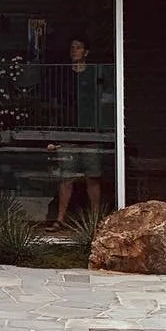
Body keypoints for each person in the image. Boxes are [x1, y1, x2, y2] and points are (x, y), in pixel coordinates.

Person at [48, 37, 105, 229]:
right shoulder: (63, 76)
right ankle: (60, 219)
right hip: (68, 131)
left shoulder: (96, 74)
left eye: (78, 48)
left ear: (86, 52)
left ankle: (95, 221)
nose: (74, 50)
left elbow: (104, 100)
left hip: (91, 132)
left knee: (92, 177)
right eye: (72, 47)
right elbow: (55, 104)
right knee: (66, 177)